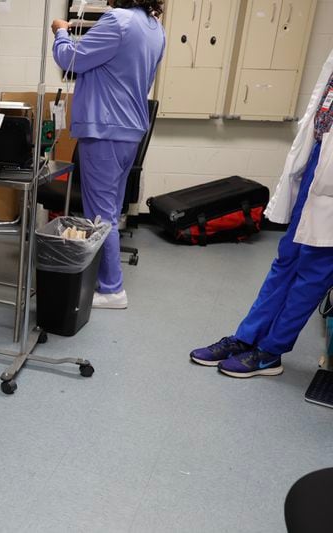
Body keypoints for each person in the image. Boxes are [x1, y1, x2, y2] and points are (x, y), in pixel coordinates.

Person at [190, 49, 333, 378]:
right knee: (287, 260)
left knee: (312, 271)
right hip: (318, 162)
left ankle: (271, 351)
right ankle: (247, 337)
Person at [51, 1, 165, 310]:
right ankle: (108, 282)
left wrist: (61, 33)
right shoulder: (155, 29)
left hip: (105, 129)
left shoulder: (118, 20)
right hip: (129, 129)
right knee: (110, 213)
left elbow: (70, 58)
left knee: (100, 216)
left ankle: (112, 289)